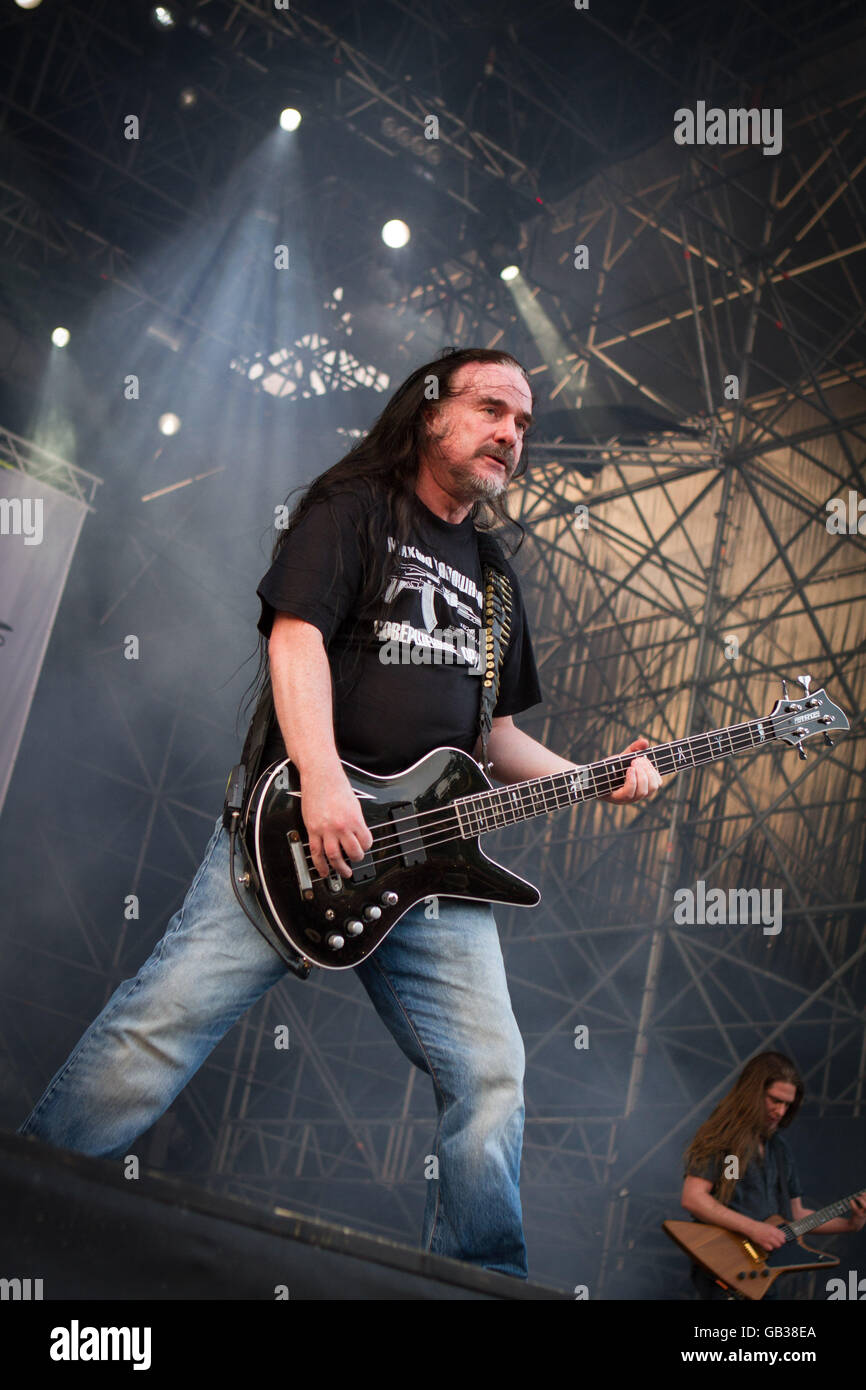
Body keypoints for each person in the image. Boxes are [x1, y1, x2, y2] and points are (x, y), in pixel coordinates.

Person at [18, 346, 662, 1280]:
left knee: (490, 1076)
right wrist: (320, 777)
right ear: (431, 410)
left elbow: (495, 737)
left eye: (523, 423)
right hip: (295, 833)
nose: (511, 434)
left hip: (428, 870)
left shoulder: (493, 576)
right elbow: (297, 638)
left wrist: (596, 774)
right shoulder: (352, 506)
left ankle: (481, 1283)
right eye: (492, 409)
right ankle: (29, 1203)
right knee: (157, 1026)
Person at [681, 1051, 866, 1299]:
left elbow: (798, 1215)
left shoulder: (779, 1148)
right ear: (753, 1093)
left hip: (764, 1272)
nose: (780, 1111)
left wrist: (850, 1224)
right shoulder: (725, 1138)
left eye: (787, 1105)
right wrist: (754, 1229)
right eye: (775, 1100)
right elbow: (694, 1198)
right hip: (726, 1264)